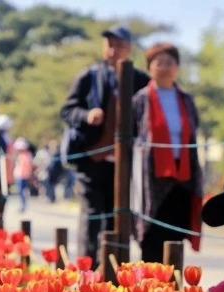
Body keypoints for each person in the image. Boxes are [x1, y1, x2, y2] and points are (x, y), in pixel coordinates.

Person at [61, 24, 150, 267]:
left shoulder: (141, 80)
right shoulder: (89, 76)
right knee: (92, 215)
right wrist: (87, 115)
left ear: (129, 49)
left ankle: (112, 270)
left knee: (118, 216)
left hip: (125, 163)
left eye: (119, 45)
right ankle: (86, 269)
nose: (114, 50)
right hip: (92, 160)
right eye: (110, 44)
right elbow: (68, 110)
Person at [132, 42, 203, 263]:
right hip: (151, 177)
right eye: (158, 62)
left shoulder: (186, 99)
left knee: (175, 234)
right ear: (149, 67)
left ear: (177, 67)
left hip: (182, 175)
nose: (164, 67)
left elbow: (193, 130)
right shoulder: (140, 99)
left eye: (169, 62)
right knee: (153, 235)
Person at [12, 137, 33, 212]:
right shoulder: (20, 155)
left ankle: (23, 205)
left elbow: (28, 165)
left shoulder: (27, 155)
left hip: (24, 175)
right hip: (20, 175)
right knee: (21, 191)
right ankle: (22, 204)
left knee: (23, 191)